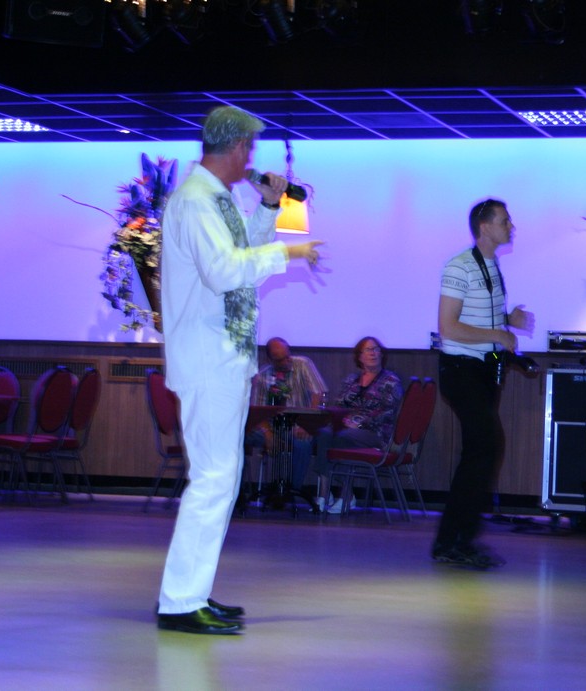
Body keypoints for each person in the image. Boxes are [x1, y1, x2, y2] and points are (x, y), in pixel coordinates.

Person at [156, 105, 323, 635]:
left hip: (222, 356)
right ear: (232, 147)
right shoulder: (194, 201)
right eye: (249, 147)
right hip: (207, 358)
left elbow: (241, 253)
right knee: (212, 479)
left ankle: (192, 592)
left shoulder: (217, 199)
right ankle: (180, 601)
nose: (252, 158)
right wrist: (289, 252)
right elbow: (226, 271)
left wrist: (269, 207)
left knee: (221, 480)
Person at [432, 198, 534, 569]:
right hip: (461, 370)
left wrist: (509, 320)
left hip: (483, 371)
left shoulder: (491, 265)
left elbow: (478, 315)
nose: (512, 226)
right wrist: (497, 333)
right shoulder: (459, 266)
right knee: (485, 447)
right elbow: (448, 326)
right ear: (485, 227)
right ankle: (453, 541)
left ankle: (457, 540)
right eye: (505, 221)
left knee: (482, 452)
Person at [312, 336, 403, 513]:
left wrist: (360, 423)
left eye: (376, 349)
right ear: (359, 356)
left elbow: (388, 411)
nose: (373, 353)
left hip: (376, 433)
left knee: (342, 437)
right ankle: (324, 493)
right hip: (348, 429)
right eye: (368, 350)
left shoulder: (391, 380)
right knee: (324, 433)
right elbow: (339, 405)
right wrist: (342, 419)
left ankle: (346, 494)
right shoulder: (351, 380)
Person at [249, 336, 328, 497]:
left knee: (302, 443)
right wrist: (268, 433)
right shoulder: (263, 376)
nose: (286, 362)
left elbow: (318, 393)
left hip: (299, 424)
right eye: (280, 360)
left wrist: (308, 424)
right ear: (270, 360)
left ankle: (291, 492)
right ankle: (242, 493)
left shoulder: (302, 364)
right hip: (271, 425)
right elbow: (258, 410)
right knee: (239, 436)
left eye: (288, 356)